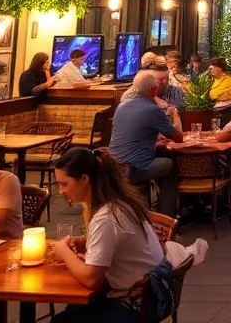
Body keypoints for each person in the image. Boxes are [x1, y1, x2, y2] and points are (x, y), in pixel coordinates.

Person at [52, 148, 166, 322]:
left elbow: (92, 279)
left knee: (62, 320)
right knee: (73, 308)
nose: (60, 191)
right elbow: (119, 241)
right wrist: (86, 242)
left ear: (84, 179)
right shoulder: (120, 203)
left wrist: (64, 252)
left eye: (64, 184)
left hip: (138, 305)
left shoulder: (105, 218)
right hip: (154, 294)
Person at [107, 70, 183, 217]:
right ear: (153, 89)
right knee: (171, 166)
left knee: (161, 163)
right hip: (134, 169)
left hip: (114, 165)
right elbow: (178, 138)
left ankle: (148, 208)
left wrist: (153, 141)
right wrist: (175, 115)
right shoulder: (152, 109)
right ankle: (167, 217)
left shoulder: (122, 106)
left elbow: (133, 135)